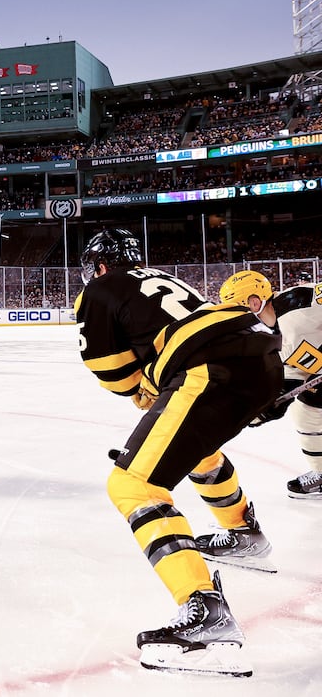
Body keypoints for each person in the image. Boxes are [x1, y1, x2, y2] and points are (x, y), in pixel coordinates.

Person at [76, 229, 282, 676]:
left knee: (133, 484)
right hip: (260, 354)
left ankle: (202, 608)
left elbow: (114, 374)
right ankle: (242, 531)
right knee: (196, 450)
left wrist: (141, 389)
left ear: (100, 265)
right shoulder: (161, 277)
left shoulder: (100, 287)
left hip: (209, 366)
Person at [217, 270, 322, 499]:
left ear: (254, 303)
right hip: (317, 371)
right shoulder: (265, 334)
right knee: (306, 413)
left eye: (236, 309)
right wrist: (268, 402)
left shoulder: (300, 303)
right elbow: (293, 366)